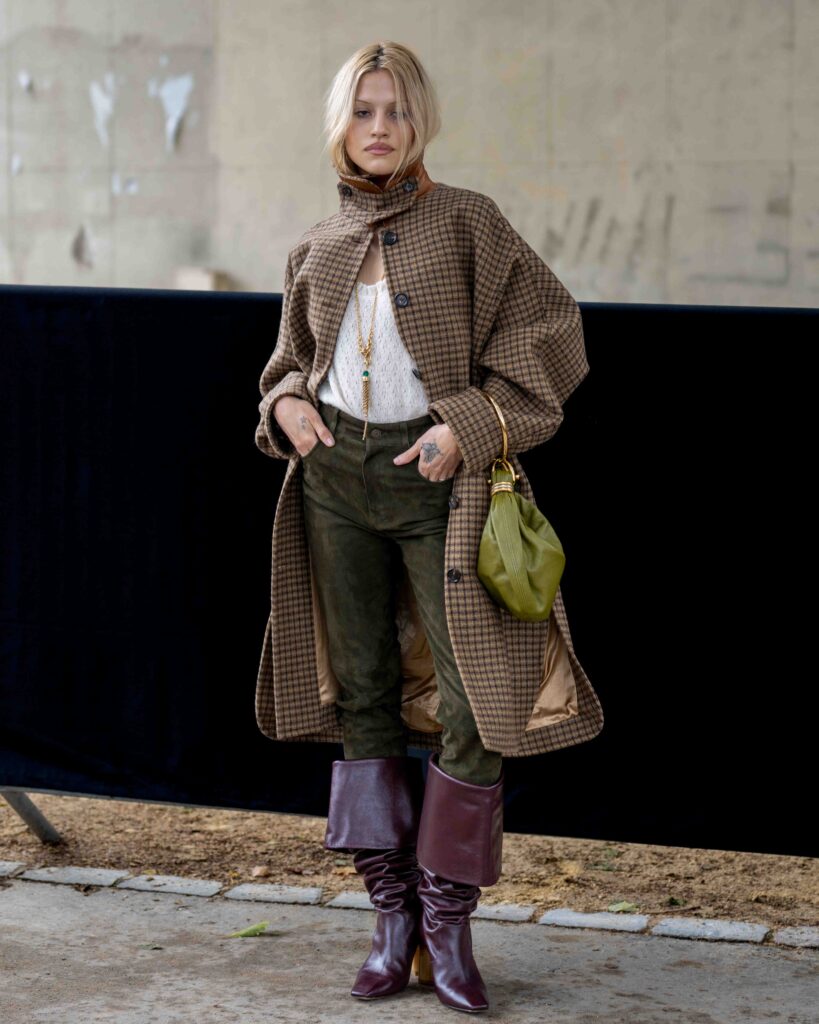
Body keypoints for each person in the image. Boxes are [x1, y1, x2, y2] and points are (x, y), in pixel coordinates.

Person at [255, 40, 601, 1014]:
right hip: (334, 482)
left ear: (421, 123)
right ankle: (392, 922)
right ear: (340, 123)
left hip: (439, 477)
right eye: (363, 111)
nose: (379, 128)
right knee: (361, 691)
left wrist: (471, 425)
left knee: (471, 700)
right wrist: (286, 406)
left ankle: (450, 925)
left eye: (396, 111)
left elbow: (552, 328)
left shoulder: (468, 223)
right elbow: (289, 363)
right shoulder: (315, 246)